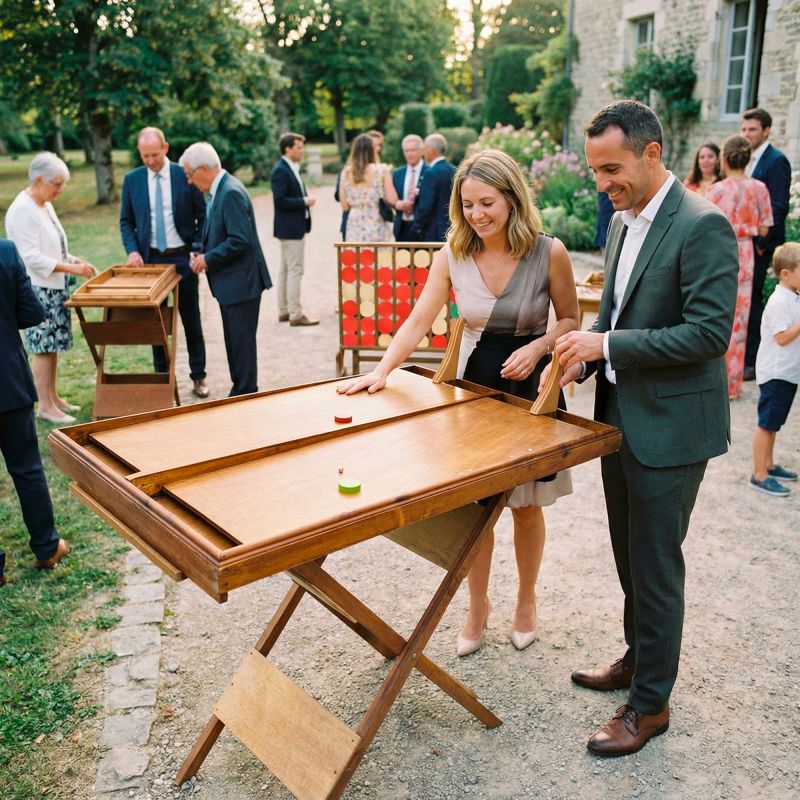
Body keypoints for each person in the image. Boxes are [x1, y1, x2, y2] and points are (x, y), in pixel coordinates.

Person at [546, 100, 738, 756]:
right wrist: (586, 346)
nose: (601, 183)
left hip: (673, 427)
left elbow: (709, 334)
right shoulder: (625, 223)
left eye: (612, 168)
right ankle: (639, 659)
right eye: (596, 170)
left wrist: (609, 347)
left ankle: (650, 707)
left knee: (656, 565)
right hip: (620, 416)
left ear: (652, 154)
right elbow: (623, 313)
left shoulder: (703, 225)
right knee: (630, 555)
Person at [338, 149, 578, 656]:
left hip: (529, 386)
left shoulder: (548, 251)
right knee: (477, 509)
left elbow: (570, 321)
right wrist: (381, 371)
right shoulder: (453, 251)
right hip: (473, 389)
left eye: (487, 203)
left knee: (526, 508)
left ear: (512, 198)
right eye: (467, 205)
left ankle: (526, 602)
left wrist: (537, 348)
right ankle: (477, 606)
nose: (477, 215)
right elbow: (420, 318)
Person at [4, 152, 97, 425]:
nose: (60, 190)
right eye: (57, 184)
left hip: (53, 285)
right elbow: (29, 257)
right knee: (43, 347)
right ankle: (44, 405)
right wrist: (72, 269)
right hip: (36, 289)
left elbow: (54, 243)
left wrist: (72, 259)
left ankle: (54, 397)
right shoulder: (22, 210)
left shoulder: (43, 204)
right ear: (40, 179)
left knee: (53, 346)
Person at [120, 126, 210, 398]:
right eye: (145, 156)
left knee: (191, 320)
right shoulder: (132, 180)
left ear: (166, 149)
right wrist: (133, 250)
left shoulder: (184, 175)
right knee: (155, 323)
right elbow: (126, 221)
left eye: (155, 155)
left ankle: (198, 376)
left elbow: (202, 215)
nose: (150, 161)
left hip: (183, 259)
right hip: (150, 262)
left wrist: (196, 248)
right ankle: (161, 379)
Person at [0, 238, 70, 585]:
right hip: (7, 381)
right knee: (26, 468)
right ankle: (46, 546)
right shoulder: (5, 252)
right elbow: (32, 313)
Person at [180, 142, 272, 396]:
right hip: (233, 283)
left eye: (189, 174)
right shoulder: (220, 190)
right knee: (235, 343)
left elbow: (240, 240)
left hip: (241, 283)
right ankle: (240, 391)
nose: (188, 181)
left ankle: (244, 393)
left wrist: (207, 259)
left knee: (241, 345)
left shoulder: (229, 192)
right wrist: (202, 252)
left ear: (204, 169)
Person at [707, 135, 773, 399]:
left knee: (715, 316)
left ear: (724, 158)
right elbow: (766, 227)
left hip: (717, 253)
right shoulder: (759, 188)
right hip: (745, 253)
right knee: (740, 323)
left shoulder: (716, 190)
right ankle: (733, 386)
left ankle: (714, 384)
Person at [740, 108, 792, 379]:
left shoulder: (776, 161)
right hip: (744, 243)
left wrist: (761, 242)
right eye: (744, 129)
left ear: (766, 131)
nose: (747, 134)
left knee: (755, 301)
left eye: (752, 130)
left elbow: (779, 206)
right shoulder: (746, 160)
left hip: (760, 245)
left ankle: (751, 361)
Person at [750, 242, 800, 497]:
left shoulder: (793, 298)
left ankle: (769, 465)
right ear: (785, 273)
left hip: (788, 372)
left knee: (775, 423)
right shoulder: (780, 301)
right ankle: (759, 474)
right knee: (766, 423)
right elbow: (781, 337)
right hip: (776, 372)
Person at [271, 132, 318, 326]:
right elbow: (280, 200)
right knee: (295, 270)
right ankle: (296, 314)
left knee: (285, 270)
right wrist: (304, 201)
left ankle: (284, 311)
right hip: (290, 229)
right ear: (287, 149)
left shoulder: (288, 167)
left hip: (289, 228)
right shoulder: (281, 170)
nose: (302, 151)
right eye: (299, 147)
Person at [338, 134, 398, 242]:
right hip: (376, 221)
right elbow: (392, 199)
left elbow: (345, 206)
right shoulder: (381, 170)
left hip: (354, 224)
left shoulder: (346, 172)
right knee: (379, 257)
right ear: (372, 150)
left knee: (357, 256)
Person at [413, 133, 456, 242]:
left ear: (432, 151)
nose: (423, 152)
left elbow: (426, 206)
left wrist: (416, 226)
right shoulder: (455, 170)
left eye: (425, 149)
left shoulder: (430, 173)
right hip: (453, 228)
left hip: (433, 231)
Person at [392, 134, 429, 242]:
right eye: (406, 151)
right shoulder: (397, 174)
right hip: (401, 228)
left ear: (421, 151)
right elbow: (390, 198)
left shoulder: (430, 172)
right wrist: (397, 204)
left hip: (423, 229)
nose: (409, 154)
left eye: (413, 150)